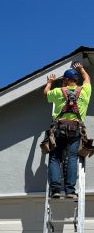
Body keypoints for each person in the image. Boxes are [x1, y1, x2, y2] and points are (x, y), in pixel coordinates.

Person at [43, 62, 91, 198]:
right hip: (75, 129)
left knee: (54, 158)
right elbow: (87, 78)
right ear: (77, 80)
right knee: (72, 158)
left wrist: (50, 82)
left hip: (59, 128)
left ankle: (56, 190)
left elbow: (46, 93)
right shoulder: (85, 91)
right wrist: (81, 68)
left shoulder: (58, 92)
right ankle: (70, 191)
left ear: (65, 80)